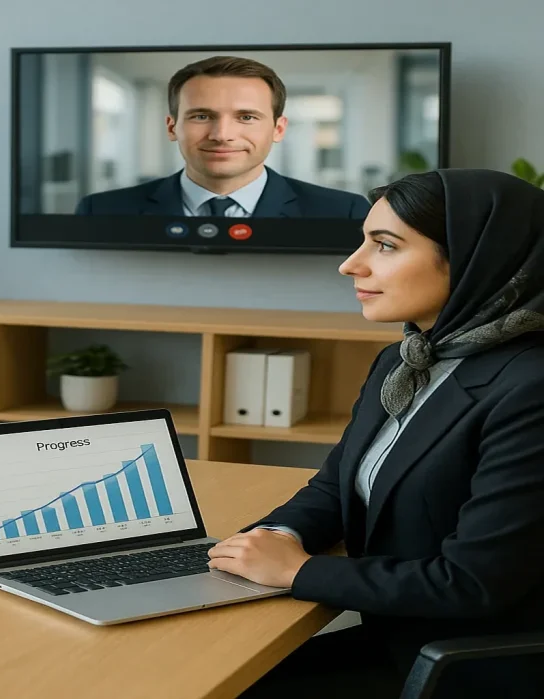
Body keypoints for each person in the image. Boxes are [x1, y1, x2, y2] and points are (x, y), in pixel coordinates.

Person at [204, 169, 544, 698]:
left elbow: (472, 583)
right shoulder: (406, 358)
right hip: (393, 637)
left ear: (476, 257)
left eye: (384, 246)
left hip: (462, 669)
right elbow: (336, 485)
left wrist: (299, 572)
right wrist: (275, 538)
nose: (350, 265)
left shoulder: (530, 388)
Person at [74, 56, 370, 220]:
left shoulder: (344, 213)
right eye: (202, 116)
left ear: (278, 129)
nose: (222, 135)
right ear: (172, 127)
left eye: (246, 117)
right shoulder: (100, 211)